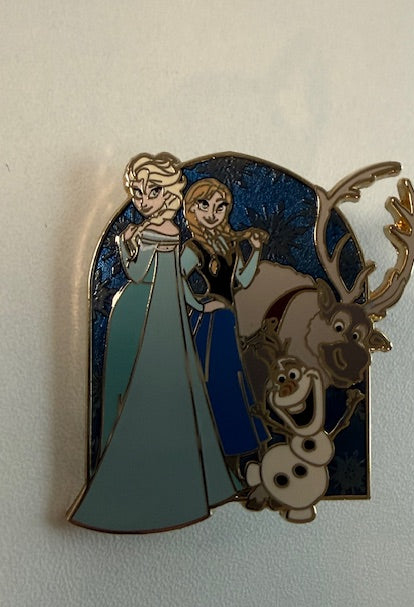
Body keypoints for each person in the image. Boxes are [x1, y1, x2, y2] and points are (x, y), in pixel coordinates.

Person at [68, 154, 237, 533]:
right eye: (139, 193)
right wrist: (198, 303)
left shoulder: (152, 232)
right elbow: (175, 279)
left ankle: (131, 475)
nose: (144, 200)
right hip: (161, 312)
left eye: (153, 191)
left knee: (138, 388)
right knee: (168, 386)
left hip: (143, 312)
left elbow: (138, 272)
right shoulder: (170, 231)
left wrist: (124, 243)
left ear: (170, 193)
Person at [181, 178, 270, 473]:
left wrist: (255, 250)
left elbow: (241, 280)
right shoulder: (193, 247)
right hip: (209, 324)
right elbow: (175, 279)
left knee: (234, 379)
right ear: (191, 209)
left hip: (227, 320)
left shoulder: (229, 244)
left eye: (220, 207)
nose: (212, 213)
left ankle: (237, 449)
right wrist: (200, 305)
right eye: (204, 205)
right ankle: (216, 450)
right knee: (216, 382)